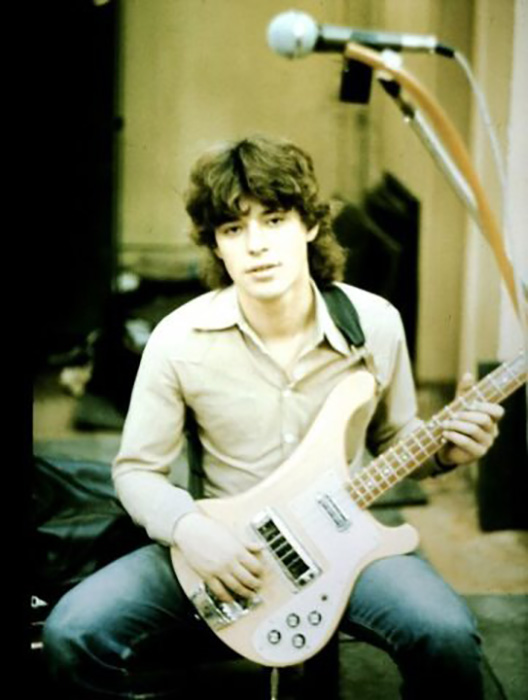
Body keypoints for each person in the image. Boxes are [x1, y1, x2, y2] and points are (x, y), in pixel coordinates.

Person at [43, 135, 504, 699]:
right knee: (71, 633)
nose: (256, 245)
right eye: (233, 229)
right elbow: (136, 471)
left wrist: (445, 452)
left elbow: (395, 436)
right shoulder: (178, 340)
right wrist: (190, 531)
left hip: (342, 543)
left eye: (275, 220)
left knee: (446, 635)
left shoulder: (375, 323)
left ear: (309, 224)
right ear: (216, 245)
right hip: (217, 550)